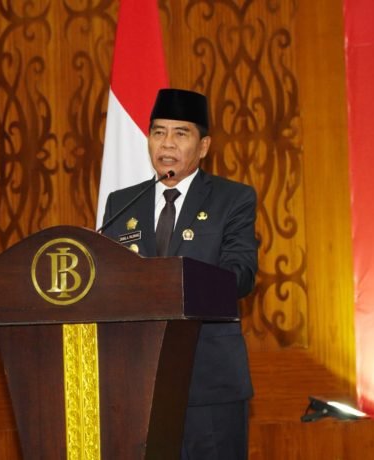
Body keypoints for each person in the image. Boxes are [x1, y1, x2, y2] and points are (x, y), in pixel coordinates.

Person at [101, 88, 258, 459]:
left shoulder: (232, 199)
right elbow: (108, 278)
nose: (166, 143)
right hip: (138, 382)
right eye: (158, 132)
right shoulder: (122, 203)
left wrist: (173, 281)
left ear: (203, 147)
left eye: (180, 133)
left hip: (209, 382)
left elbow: (241, 275)